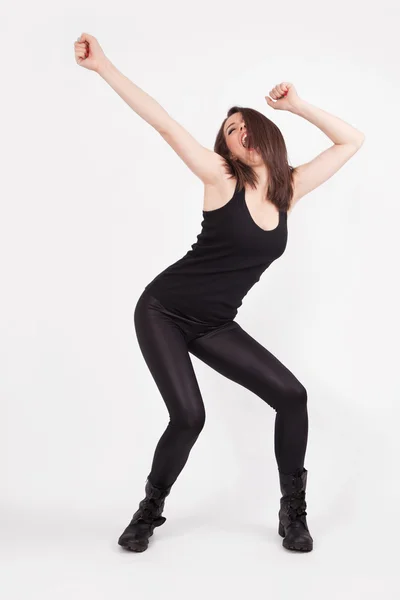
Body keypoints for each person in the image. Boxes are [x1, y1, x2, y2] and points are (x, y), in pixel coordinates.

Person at [74, 33, 365, 554]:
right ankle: (149, 510)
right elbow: (162, 121)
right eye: (230, 130)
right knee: (189, 417)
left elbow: (351, 141)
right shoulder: (219, 177)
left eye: (247, 124)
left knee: (292, 397)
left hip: (213, 323)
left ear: (265, 133)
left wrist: (297, 105)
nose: (240, 132)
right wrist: (105, 67)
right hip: (163, 310)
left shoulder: (288, 188)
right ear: (225, 147)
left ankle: (292, 513)